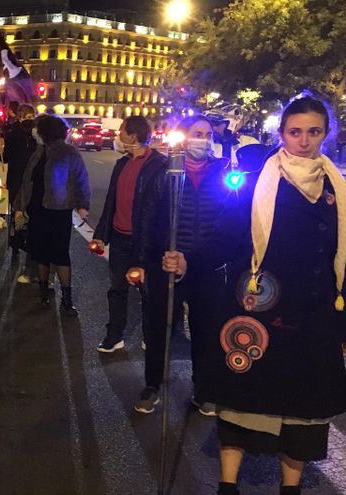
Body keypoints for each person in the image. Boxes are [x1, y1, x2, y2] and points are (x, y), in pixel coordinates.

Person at [163, 96, 346, 495]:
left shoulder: (336, 188)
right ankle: (227, 486)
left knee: (302, 405)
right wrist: (189, 261)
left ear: (324, 134)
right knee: (242, 397)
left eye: (313, 132)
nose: (303, 141)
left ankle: (290, 487)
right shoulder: (260, 184)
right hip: (259, 306)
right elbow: (226, 237)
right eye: (295, 132)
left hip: (314, 315)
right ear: (282, 134)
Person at [128, 115, 232, 415]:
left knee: (206, 331)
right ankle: (152, 386)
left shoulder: (222, 171)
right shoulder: (164, 171)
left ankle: (204, 390)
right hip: (167, 263)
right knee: (160, 327)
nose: (202, 139)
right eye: (197, 133)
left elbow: (230, 219)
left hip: (206, 266)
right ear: (183, 137)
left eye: (207, 134)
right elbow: (146, 218)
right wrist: (143, 260)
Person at [91, 116, 168, 353]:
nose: (119, 135)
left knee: (148, 292)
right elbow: (111, 202)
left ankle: (151, 335)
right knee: (117, 290)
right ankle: (114, 336)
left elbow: (162, 209)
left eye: (122, 130)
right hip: (120, 238)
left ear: (133, 135)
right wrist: (100, 235)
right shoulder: (121, 164)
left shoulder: (158, 165)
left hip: (145, 241)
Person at [13, 115, 90, 314]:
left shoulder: (68, 152)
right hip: (37, 210)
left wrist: (82, 205)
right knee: (40, 253)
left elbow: (80, 179)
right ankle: (43, 292)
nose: (34, 131)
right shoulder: (38, 152)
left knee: (61, 254)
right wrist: (20, 207)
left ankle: (66, 298)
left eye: (37, 128)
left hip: (58, 211)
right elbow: (27, 181)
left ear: (45, 130)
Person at [4, 105, 38, 268]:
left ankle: (26, 240)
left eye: (32, 117)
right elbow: (5, 158)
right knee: (16, 210)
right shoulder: (12, 134)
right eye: (27, 117)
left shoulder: (37, 134)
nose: (29, 120)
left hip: (32, 180)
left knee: (30, 211)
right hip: (17, 179)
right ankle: (16, 240)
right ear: (20, 117)